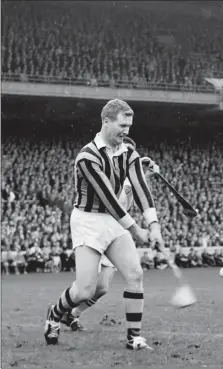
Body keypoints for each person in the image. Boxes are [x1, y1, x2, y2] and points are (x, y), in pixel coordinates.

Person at [44, 99, 164, 350]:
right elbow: (109, 198)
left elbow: (140, 186)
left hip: (114, 222)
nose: (126, 131)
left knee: (135, 274)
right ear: (106, 121)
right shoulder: (87, 157)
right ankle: (55, 313)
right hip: (89, 221)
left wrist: (153, 224)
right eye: (122, 125)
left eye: (129, 126)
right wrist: (136, 229)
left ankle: (133, 338)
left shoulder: (129, 152)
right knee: (85, 290)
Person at [61, 142, 160, 331]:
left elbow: (133, 195)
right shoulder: (106, 176)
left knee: (102, 288)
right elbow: (117, 201)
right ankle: (59, 311)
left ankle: (72, 315)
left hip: (114, 232)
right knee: (85, 289)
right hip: (96, 228)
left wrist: (145, 174)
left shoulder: (129, 174)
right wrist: (136, 230)